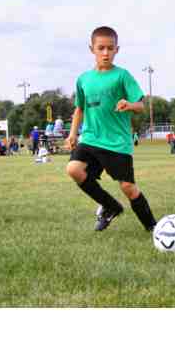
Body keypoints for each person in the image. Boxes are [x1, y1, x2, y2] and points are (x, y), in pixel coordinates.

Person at [65, 25, 157, 232]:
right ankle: (111, 206)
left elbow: (141, 106)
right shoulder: (83, 79)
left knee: (128, 187)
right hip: (90, 138)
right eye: (101, 48)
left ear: (117, 49)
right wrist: (73, 134)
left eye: (110, 48)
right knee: (73, 169)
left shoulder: (122, 76)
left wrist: (129, 104)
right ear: (92, 49)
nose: (106, 53)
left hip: (117, 142)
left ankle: (152, 227)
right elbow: (79, 109)